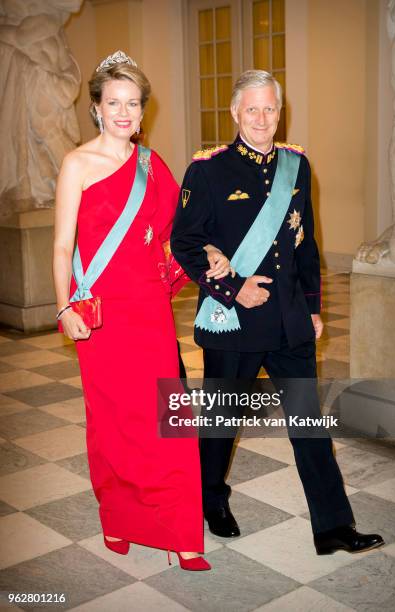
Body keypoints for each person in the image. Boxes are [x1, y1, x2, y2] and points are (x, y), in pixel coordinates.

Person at [171, 70, 384, 555]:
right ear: (234, 113)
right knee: (221, 423)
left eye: (270, 109)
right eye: (252, 109)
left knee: (309, 426)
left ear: (279, 111)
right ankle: (210, 499)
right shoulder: (207, 170)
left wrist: (312, 307)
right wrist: (231, 290)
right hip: (234, 321)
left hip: (289, 321)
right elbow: (183, 241)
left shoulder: (297, 165)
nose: (262, 119)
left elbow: (306, 240)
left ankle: (332, 525)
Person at [53, 51, 231, 571]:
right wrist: (64, 305)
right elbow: (63, 243)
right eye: (114, 102)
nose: (125, 112)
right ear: (97, 108)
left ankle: (182, 533)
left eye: (133, 103)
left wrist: (210, 253)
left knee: (168, 415)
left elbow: (180, 234)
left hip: (148, 313)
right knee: (111, 424)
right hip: (100, 314)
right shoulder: (77, 164)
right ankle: (119, 520)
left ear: (142, 109)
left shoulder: (153, 166)